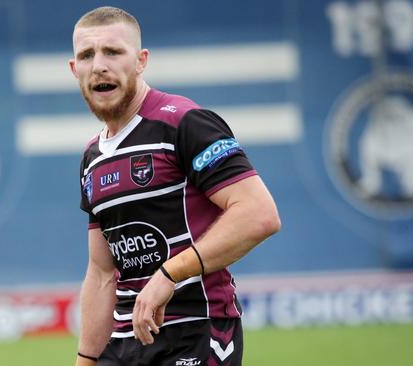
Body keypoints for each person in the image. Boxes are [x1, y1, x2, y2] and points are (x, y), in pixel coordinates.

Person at [69, 6, 280, 366]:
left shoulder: (186, 123)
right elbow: (102, 273)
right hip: (123, 343)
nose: (99, 65)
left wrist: (169, 275)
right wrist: (86, 361)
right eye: (87, 55)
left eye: (113, 52)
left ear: (140, 61)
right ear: (74, 70)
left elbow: (259, 214)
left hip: (196, 331)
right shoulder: (93, 156)